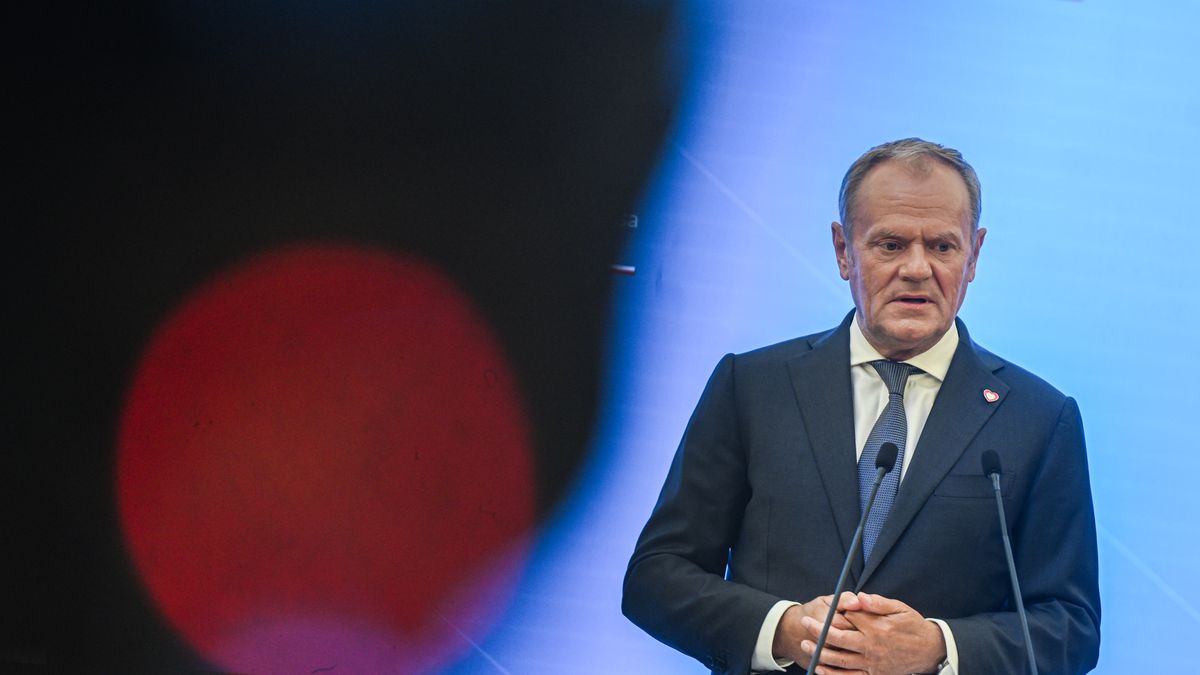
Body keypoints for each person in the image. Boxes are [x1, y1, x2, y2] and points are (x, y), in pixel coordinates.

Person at [622, 138, 1100, 674]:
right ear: (844, 251)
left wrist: (940, 648)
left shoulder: (1038, 418)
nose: (918, 269)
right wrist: (783, 628)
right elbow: (656, 577)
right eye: (891, 244)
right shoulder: (754, 387)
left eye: (942, 247)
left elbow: (1070, 625)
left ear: (974, 255)